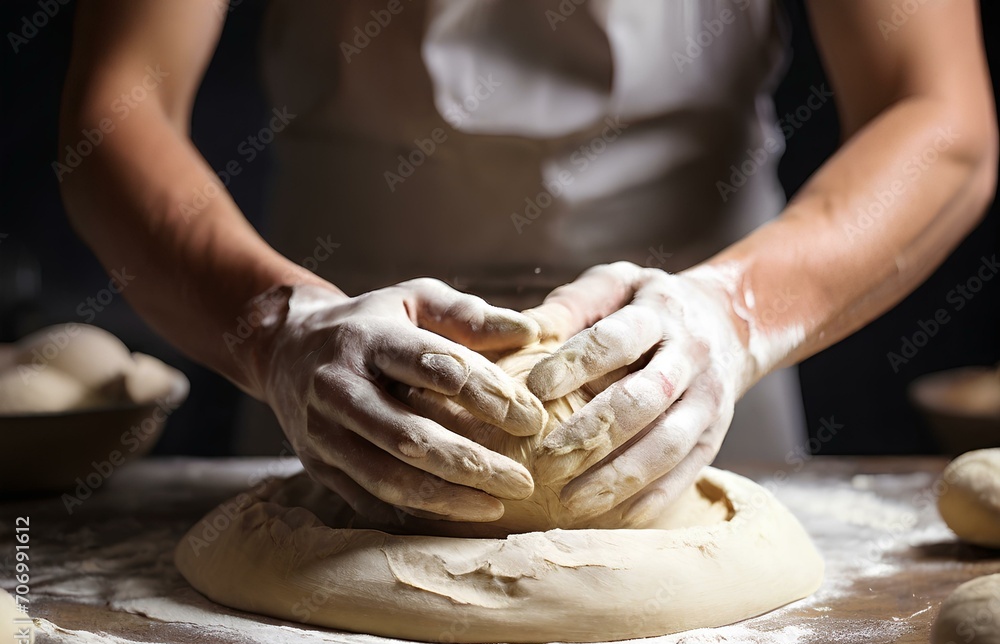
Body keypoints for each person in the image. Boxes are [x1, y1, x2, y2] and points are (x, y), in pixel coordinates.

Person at [59, 0, 996, 525]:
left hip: (690, 391)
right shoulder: (299, 343)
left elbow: (941, 119)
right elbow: (114, 116)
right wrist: (273, 328)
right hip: (339, 387)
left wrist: (738, 315)